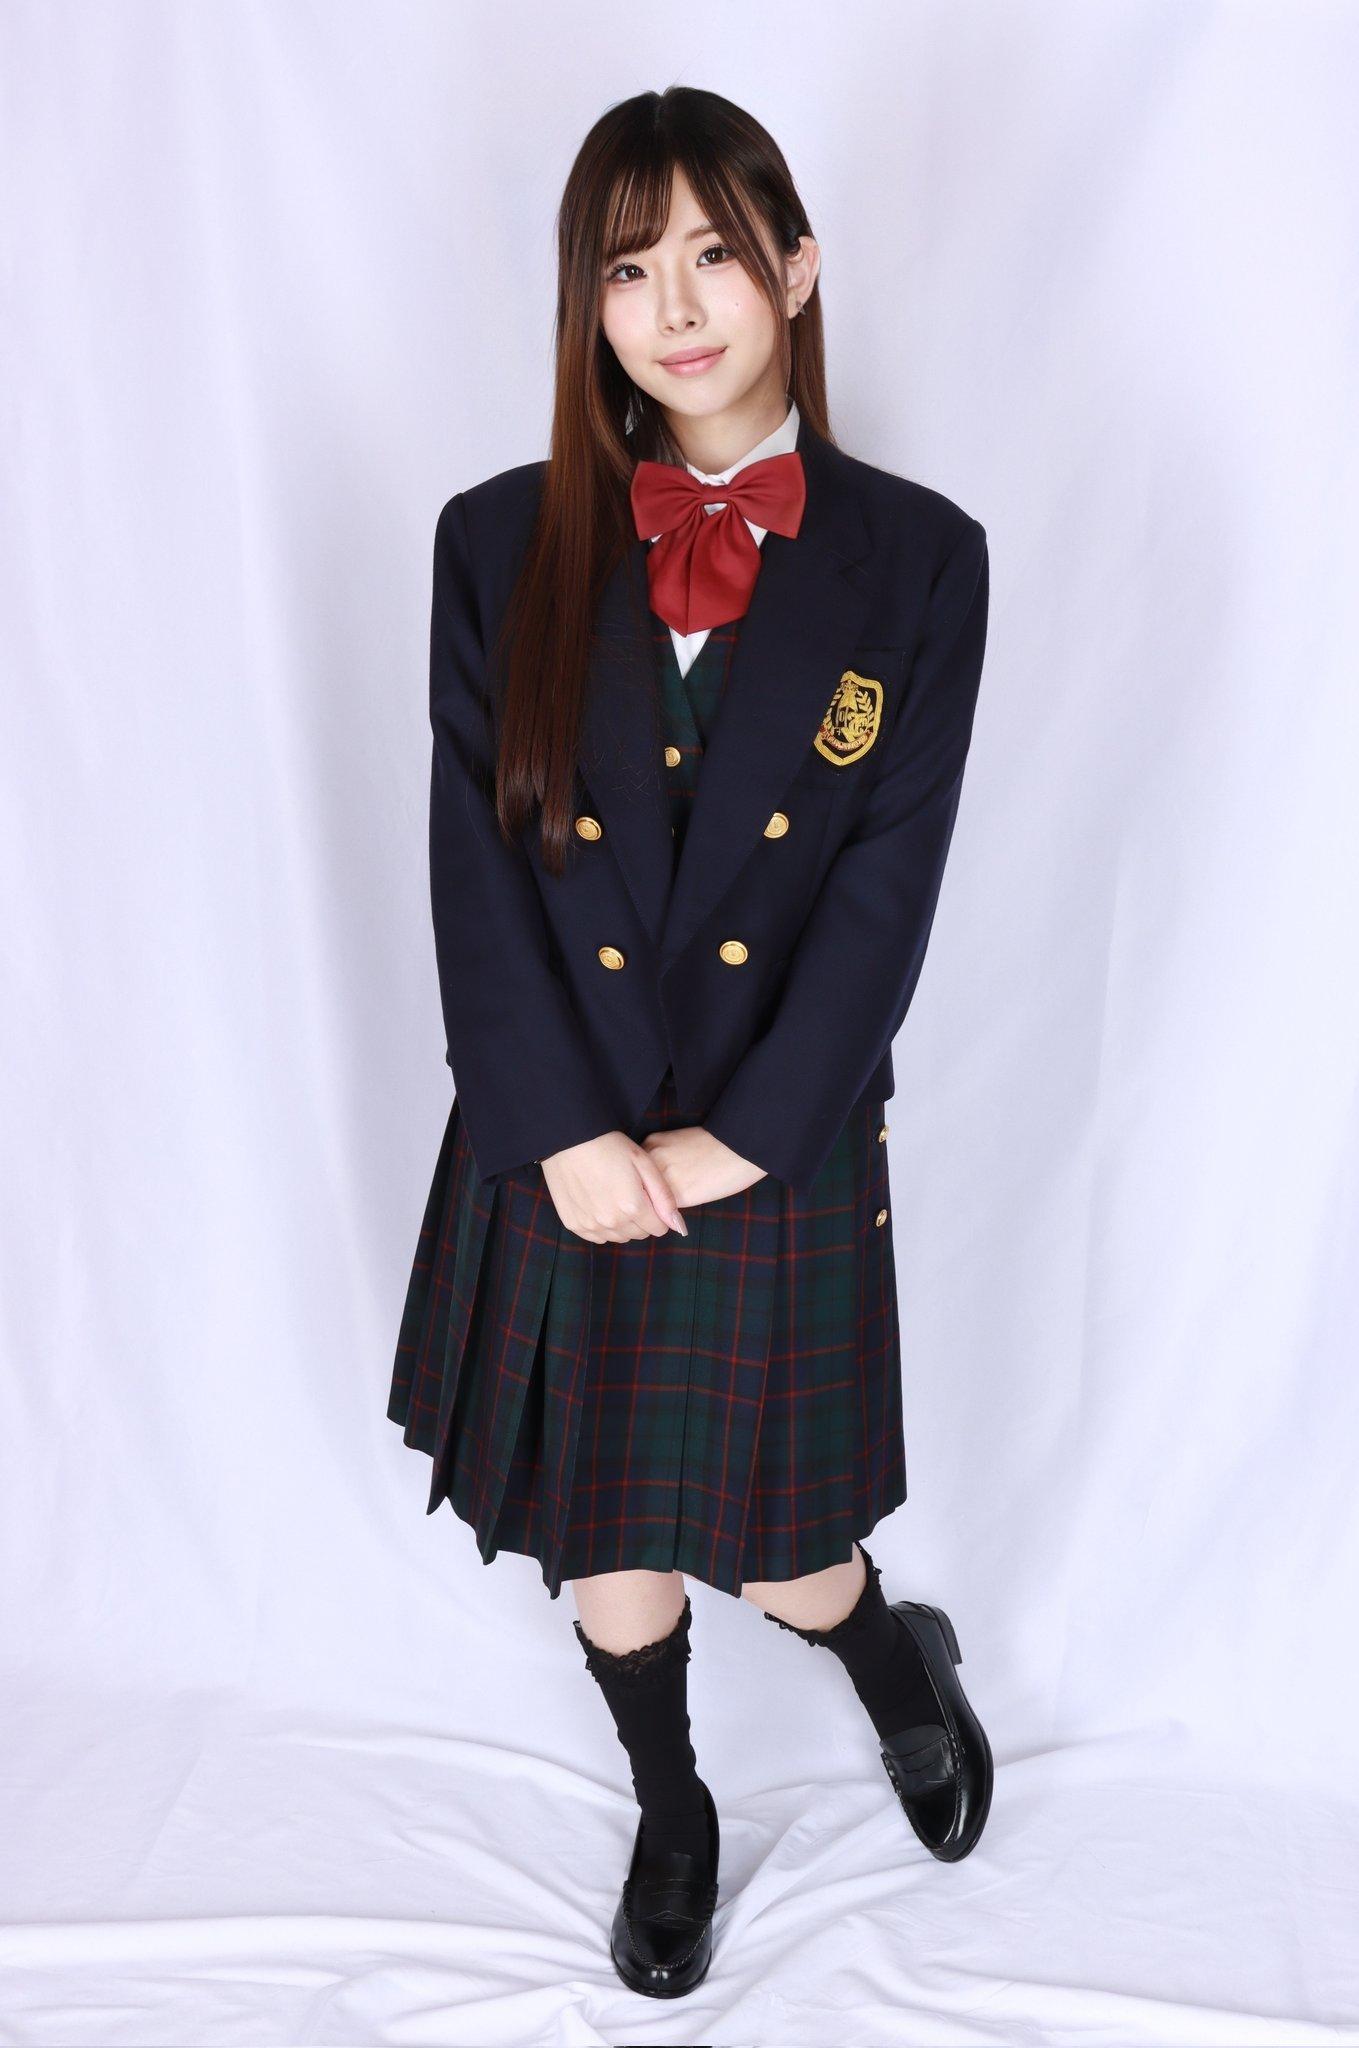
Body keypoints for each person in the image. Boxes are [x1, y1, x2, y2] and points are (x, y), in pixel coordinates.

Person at [388, 83, 994, 1998]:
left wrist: (742, 1139)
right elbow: (474, 864)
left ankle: (888, 1653)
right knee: (607, 1539)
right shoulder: (497, 541)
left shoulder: (921, 558)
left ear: (796, 271)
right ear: (587, 304)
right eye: (626, 267)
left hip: (767, 1130)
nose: (674, 306)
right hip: (560, 1122)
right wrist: (559, 1129)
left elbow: (887, 889)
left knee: (785, 1547)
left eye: (716, 255)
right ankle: (673, 1809)